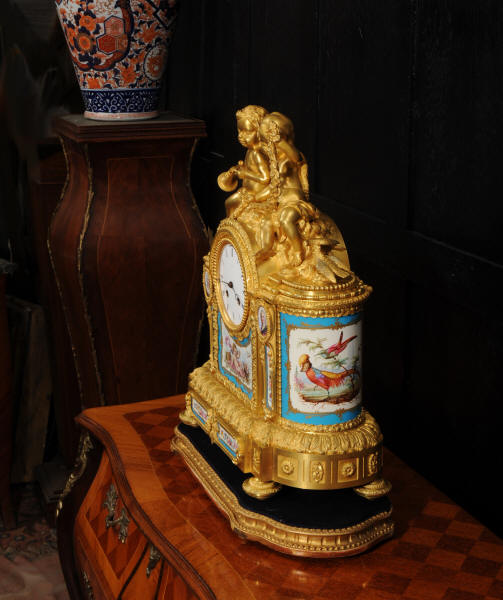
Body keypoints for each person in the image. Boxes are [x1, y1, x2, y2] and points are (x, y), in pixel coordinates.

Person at [217, 105, 271, 218]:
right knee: (229, 203)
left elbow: (265, 178)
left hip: (253, 194)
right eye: (239, 131)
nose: (241, 136)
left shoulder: (257, 153)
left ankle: (230, 224)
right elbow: (252, 170)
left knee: (229, 203)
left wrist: (244, 173)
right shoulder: (250, 150)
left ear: (260, 132)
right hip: (247, 191)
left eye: (247, 132)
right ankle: (231, 224)